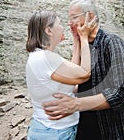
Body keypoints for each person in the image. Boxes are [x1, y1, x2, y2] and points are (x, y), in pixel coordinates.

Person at [43, 0, 124, 140]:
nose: (70, 23)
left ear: (90, 16)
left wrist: (75, 104)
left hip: (114, 131)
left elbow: (122, 92)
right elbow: (77, 82)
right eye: (69, 19)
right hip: (85, 128)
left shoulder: (112, 42)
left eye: (74, 17)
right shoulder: (83, 46)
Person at [25, 10, 97, 140]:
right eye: (59, 23)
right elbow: (84, 73)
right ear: (49, 30)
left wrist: (76, 40)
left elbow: (72, 77)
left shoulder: (39, 56)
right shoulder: (46, 58)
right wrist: (84, 38)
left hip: (44, 128)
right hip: (56, 132)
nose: (63, 27)